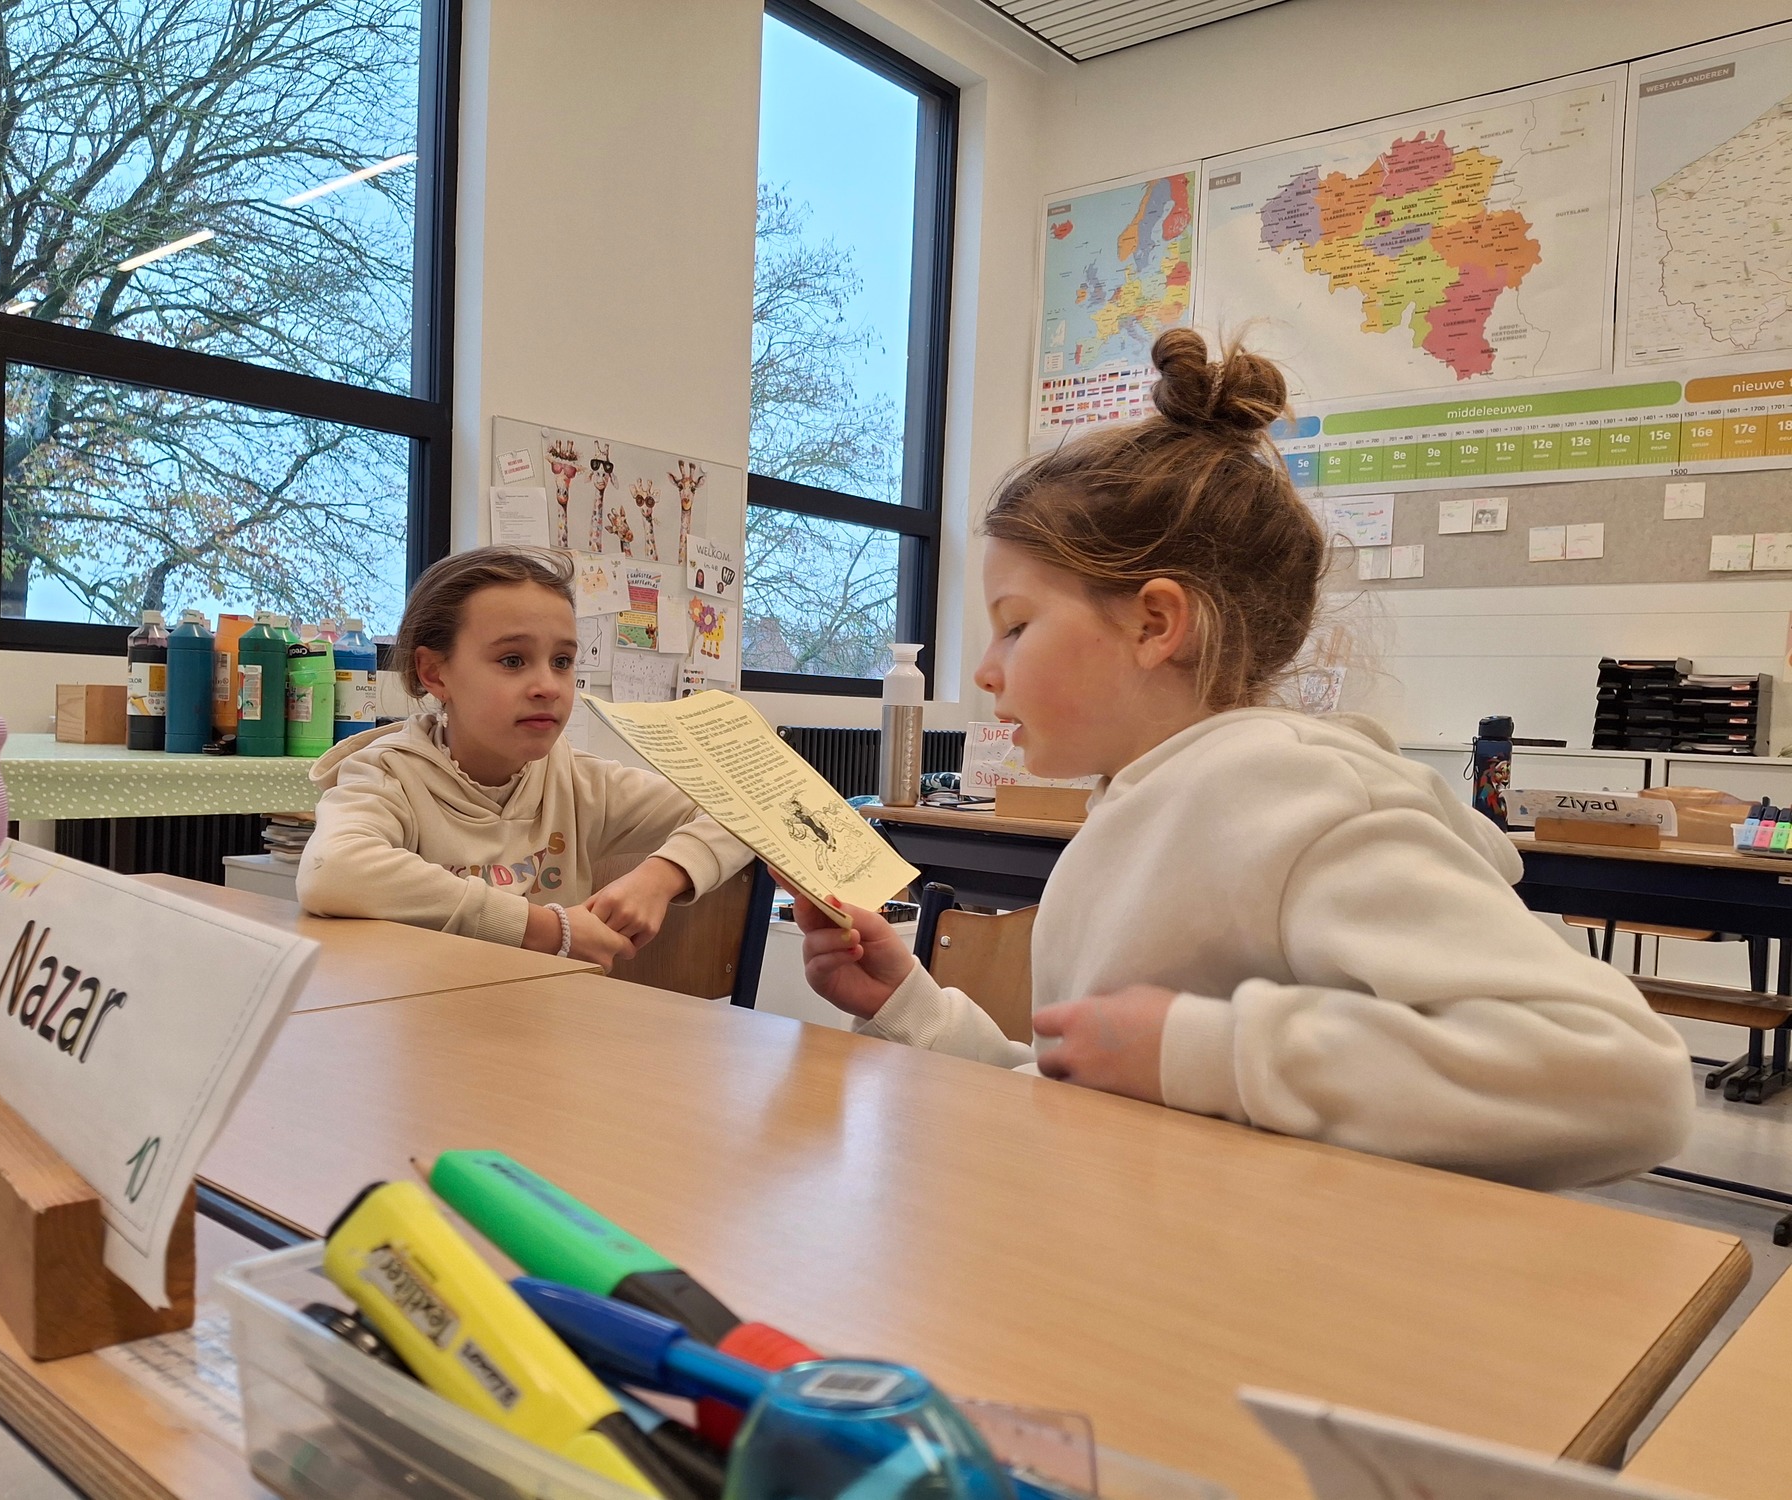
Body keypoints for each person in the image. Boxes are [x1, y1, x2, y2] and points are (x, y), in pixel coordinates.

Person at [792, 329, 1694, 1191]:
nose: (987, 671)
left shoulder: (1287, 793)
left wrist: (1203, 1050)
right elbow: (1113, 1098)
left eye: (1017, 626)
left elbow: (1620, 1080)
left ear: (1155, 623)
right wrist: (917, 1011)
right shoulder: (1145, 801)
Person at [299, 547, 748, 970]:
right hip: (421, 1017)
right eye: (513, 660)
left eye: (562, 661)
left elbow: (751, 812)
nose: (548, 686)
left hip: (548, 1015)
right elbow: (333, 870)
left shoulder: (579, 782)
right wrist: (548, 930)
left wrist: (661, 875)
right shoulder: (387, 775)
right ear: (434, 673)